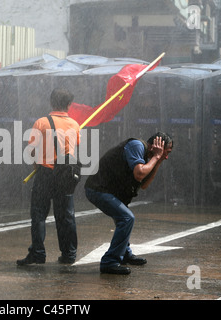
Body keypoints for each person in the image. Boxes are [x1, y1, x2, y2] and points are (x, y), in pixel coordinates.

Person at [84, 132, 173, 275]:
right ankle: (109, 262)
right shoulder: (136, 145)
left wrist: (158, 161)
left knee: (124, 218)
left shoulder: (146, 156)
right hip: (97, 189)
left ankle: (125, 253)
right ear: (157, 146)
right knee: (127, 218)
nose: (167, 156)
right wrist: (156, 157)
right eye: (166, 152)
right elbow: (139, 173)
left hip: (110, 191)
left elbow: (143, 184)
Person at [17, 88, 80, 266]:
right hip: (66, 175)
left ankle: (38, 253)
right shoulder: (75, 125)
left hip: (45, 173)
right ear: (69, 105)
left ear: (51, 102)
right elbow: (73, 151)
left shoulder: (41, 123)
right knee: (66, 215)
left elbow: (31, 151)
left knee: (38, 215)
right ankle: (69, 254)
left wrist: (37, 165)